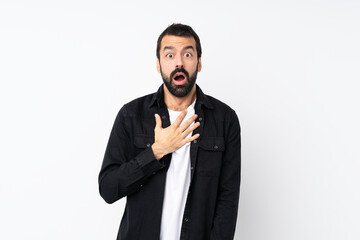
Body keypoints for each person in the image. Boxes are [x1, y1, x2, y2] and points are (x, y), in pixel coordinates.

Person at [98, 23, 241, 240]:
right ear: (158, 64)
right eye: (170, 55)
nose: (179, 63)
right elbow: (108, 189)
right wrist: (156, 152)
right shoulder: (131, 115)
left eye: (188, 54)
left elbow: (227, 201)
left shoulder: (224, 119)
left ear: (199, 63)